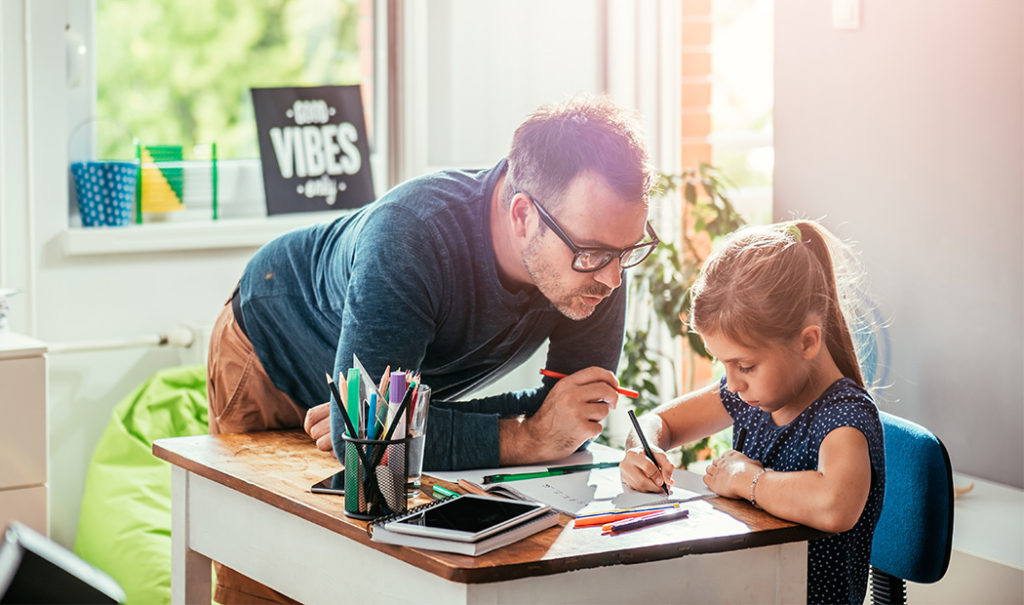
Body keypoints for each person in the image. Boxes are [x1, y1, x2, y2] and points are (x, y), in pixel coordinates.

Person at [205, 97, 656, 602]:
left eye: (628, 251)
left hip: (393, 385)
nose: (613, 278)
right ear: (523, 215)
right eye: (592, 254)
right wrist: (525, 439)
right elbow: (378, 448)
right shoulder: (411, 235)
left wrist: (384, 425)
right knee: (270, 573)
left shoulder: (598, 262)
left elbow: (568, 419)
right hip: (274, 346)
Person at [619, 220, 885, 605]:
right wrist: (641, 449)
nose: (732, 383)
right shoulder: (754, 395)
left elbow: (835, 504)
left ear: (807, 341)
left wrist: (747, 479)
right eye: (723, 366)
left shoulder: (843, 416)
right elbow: (658, 422)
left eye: (744, 365)